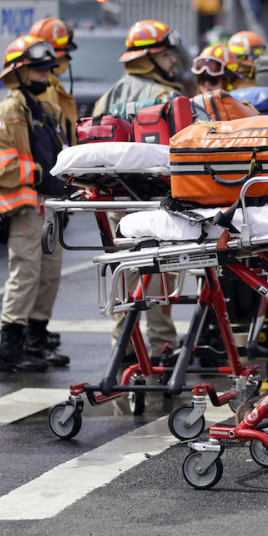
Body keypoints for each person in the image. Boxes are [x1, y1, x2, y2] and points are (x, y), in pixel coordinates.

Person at [0, 35, 71, 372]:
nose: (44, 75)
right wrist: (32, 173)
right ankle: (10, 350)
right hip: (26, 207)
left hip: (52, 209)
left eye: (47, 69)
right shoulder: (8, 110)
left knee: (48, 277)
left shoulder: (48, 111)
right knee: (26, 275)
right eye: (36, 69)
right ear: (18, 73)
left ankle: (36, 342)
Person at [94, 20, 185, 369]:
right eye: (165, 55)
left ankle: (124, 346)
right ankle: (162, 346)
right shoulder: (166, 98)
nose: (172, 62)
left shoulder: (110, 95)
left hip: (118, 198)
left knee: (124, 270)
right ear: (149, 59)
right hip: (157, 197)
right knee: (160, 269)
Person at [21, 16, 81, 361]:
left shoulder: (53, 90)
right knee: (31, 272)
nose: (60, 64)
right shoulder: (37, 94)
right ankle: (26, 337)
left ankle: (36, 332)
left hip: (56, 189)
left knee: (48, 272)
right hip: (38, 194)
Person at [92, 19, 183, 115]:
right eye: (165, 55)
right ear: (146, 61)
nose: (173, 59)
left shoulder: (107, 97)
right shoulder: (165, 96)